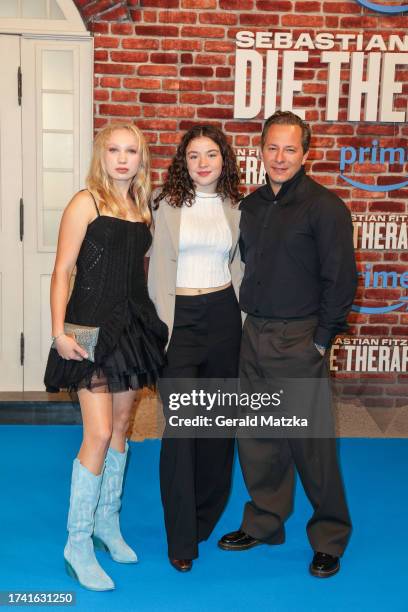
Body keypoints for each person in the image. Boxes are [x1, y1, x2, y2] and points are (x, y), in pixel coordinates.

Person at [218, 111, 357, 578]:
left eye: (290, 149)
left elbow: (340, 281)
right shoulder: (252, 206)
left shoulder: (326, 208)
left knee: (310, 444)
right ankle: (264, 522)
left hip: (300, 338)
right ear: (261, 150)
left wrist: (321, 341)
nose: (279, 158)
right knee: (257, 439)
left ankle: (330, 537)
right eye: (272, 148)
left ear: (306, 154)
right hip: (253, 333)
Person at [44, 123, 167, 591]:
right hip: (88, 332)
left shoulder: (142, 207)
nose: (122, 158)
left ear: (141, 157)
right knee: (96, 432)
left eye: (131, 150)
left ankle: (105, 524)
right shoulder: (85, 202)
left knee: (119, 429)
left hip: (132, 329)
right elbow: (61, 272)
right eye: (113, 150)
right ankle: (76, 543)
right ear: (102, 155)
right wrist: (58, 333)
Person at [148, 125, 243, 572]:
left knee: (218, 427)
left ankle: (205, 517)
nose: (203, 163)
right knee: (182, 427)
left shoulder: (237, 208)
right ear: (182, 163)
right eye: (193, 156)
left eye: (211, 154)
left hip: (225, 317)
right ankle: (181, 535)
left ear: (224, 159)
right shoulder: (162, 206)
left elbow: (240, 266)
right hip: (179, 322)